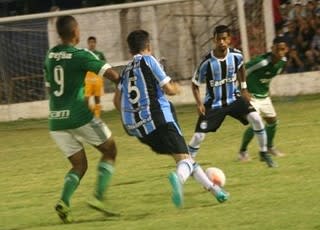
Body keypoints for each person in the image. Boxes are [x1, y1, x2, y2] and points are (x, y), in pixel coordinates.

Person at [113, 29, 229, 208]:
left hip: (140, 130)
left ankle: (216, 192)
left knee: (185, 158)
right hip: (159, 119)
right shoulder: (149, 60)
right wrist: (177, 88)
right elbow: (168, 89)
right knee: (184, 160)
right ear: (149, 46)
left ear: (130, 51)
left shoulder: (125, 70)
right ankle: (178, 178)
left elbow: (116, 101)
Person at [43, 15, 120, 224]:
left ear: (59, 34)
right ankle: (98, 198)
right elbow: (110, 74)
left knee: (79, 165)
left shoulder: (50, 55)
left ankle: (64, 202)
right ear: (76, 31)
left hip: (56, 122)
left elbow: (50, 86)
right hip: (79, 116)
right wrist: (125, 81)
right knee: (110, 150)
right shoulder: (80, 54)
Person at [187, 25, 276, 168]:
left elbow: (241, 67)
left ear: (229, 39)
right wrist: (199, 104)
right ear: (214, 40)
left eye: (224, 39)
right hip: (214, 104)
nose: (221, 42)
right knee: (198, 136)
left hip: (234, 99)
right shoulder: (207, 62)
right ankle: (187, 163)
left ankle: (263, 152)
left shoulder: (236, 55)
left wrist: (244, 88)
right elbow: (194, 84)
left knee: (256, 119)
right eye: (218, 39)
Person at [238, 36, 289, 160]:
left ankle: (269, 147)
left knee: (272, 121)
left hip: (264, 97)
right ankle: (242, 152)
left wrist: (265, 90)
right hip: (251, 96)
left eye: (282, 49)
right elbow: (241, 70)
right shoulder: (261, 61)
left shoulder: (282, 62)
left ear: (286, 49)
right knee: (256, 123)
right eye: (277, 49)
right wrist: (243, 90)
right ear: (272, 48)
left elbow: (266, 77)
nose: (279, 52)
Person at [85, 36, 107, 118]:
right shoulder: (85, 54)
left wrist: (104, 76)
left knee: (97, 98)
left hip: (97, 79)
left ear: (95, 43)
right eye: (90, 42)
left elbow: (104, 65)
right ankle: (88, 115)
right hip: (88, 79)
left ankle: (97, 117)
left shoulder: (100, 54)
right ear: (88, 44)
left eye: (93, 42)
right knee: (86, 99)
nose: (92, 44)